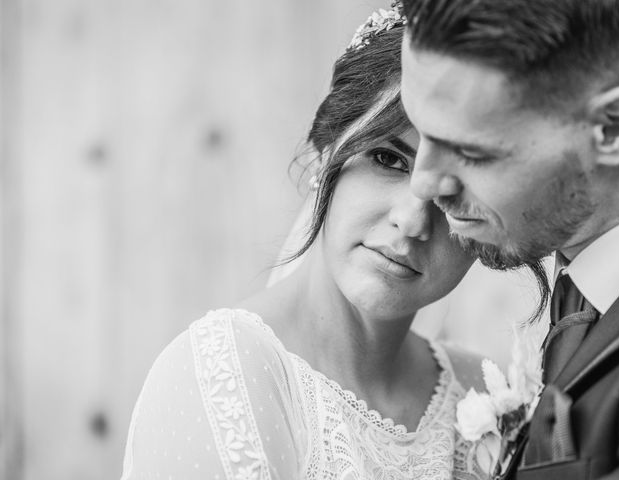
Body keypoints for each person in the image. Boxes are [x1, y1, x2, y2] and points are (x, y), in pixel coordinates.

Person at [120, 5, 497, 479]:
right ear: (328, 152)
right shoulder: (225, 374)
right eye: (388, 159)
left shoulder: (483, 395)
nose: (412, 221)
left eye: (453, 189)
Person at [400, 0, 619, 478]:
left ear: (614, 129)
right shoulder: (582, 292)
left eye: (471, 151)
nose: (423, 185)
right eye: (419, 132)